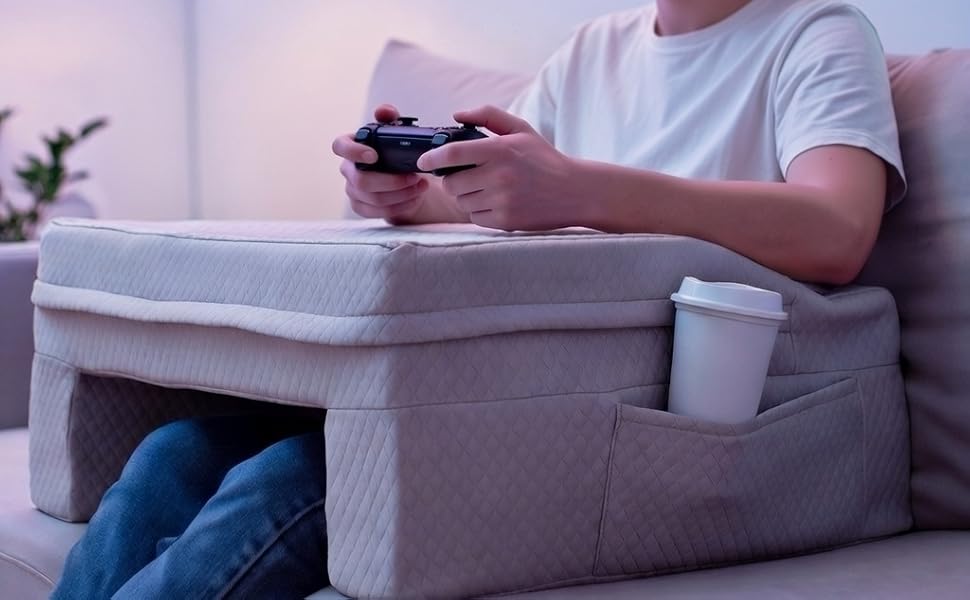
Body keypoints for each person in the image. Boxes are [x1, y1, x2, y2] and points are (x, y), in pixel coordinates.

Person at [53, 0, 904, 597]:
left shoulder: (815, 33)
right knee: (174, 451)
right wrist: (394, 193)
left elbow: (836, 229)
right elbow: (486, 202)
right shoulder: (593, 51)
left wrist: (583, 191)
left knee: (297, 476)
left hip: (644, 416)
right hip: (517, 386)